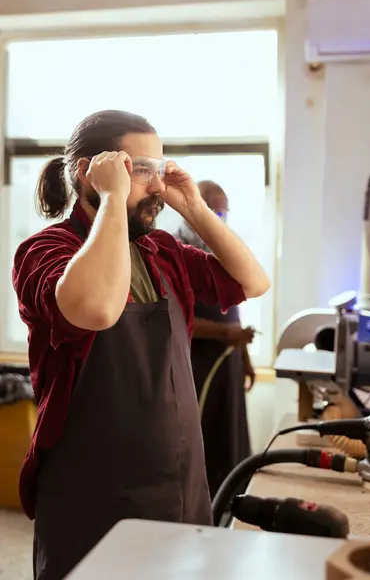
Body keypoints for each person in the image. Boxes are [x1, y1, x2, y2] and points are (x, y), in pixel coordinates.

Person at [12, 110, 270, 580]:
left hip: (178, 479)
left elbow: (252, 281)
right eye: (139, 170)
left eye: (159, 168)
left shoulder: (162, 251)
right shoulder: (44, 252)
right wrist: (112, 198)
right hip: (92, 486)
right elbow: (97, 309)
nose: (155, 185)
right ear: (88, 172)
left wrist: (193, 206)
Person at [176, 181, 256, 498]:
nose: (218, 218)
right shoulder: (173, 253)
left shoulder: (223, 252)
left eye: (223, 212)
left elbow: (234, 308)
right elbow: (177, 318)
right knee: (201, 441)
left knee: (231, 440)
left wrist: (245, 357)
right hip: (197, 365)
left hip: (229, 361)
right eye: (213, 210)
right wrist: (223, 333)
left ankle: (232, 505)